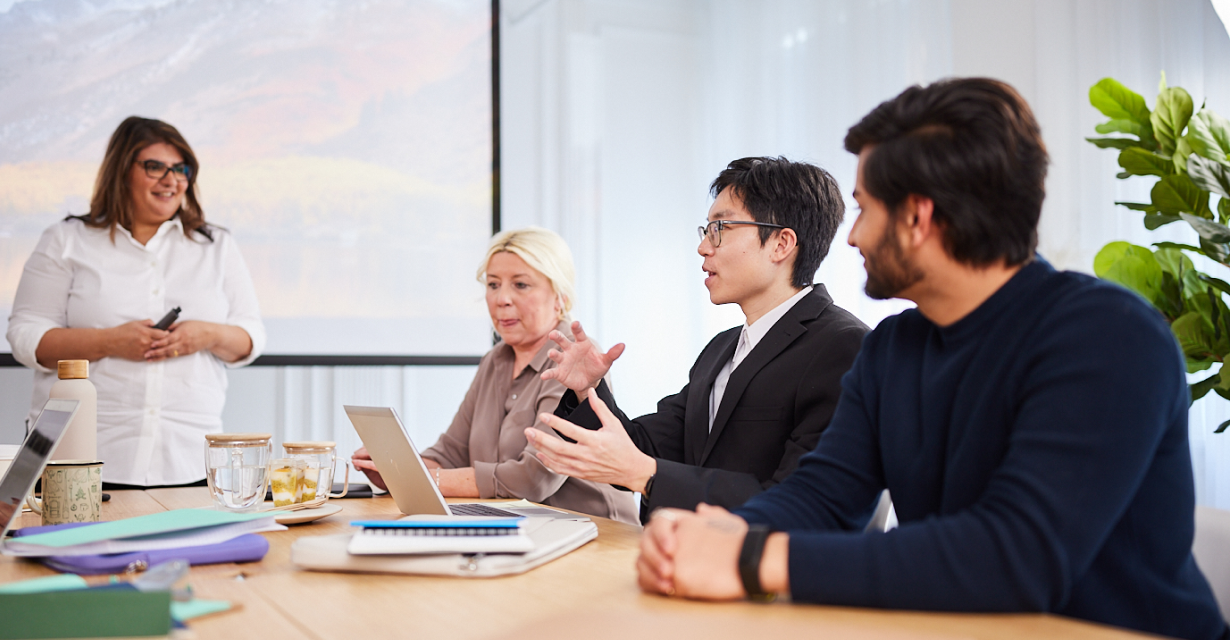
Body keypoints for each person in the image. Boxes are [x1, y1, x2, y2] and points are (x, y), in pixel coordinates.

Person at [634, 79, 1228, 640]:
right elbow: (822, 497)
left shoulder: (1109, 337)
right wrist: (722, 531)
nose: (851, 238)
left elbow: (1016, 556)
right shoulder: (893, 348)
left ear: (917, 217)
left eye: (865, 210)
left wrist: (752, 556)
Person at [526, 157, 868, 523]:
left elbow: (802, 502)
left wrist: (646, 474)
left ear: (781, 244)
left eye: (720, 228)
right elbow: (644, 448)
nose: (704, 247)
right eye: (705, 230)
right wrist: (588, 388)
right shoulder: (722, 348)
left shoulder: (844, 347)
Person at [7, 116, 266, 489]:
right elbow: (25, 338)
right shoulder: (65, 240)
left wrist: (207, 335)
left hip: (190, 461)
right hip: (76, 461)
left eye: (181, 169)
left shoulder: (217, 246)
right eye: (155, 167)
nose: (171, 180)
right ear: (121, 171)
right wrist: (111, 342)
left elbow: (251, 337)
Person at [352, 228, 638, 524]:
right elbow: (451, 453)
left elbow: (533, 478)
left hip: (598, 533)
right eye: (493, 284)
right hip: (527, 528)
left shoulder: (573, 359)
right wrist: (397, 469)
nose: (502, 299)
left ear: (560, 297)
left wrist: (426, 479)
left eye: (521, 285)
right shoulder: (495, 360)